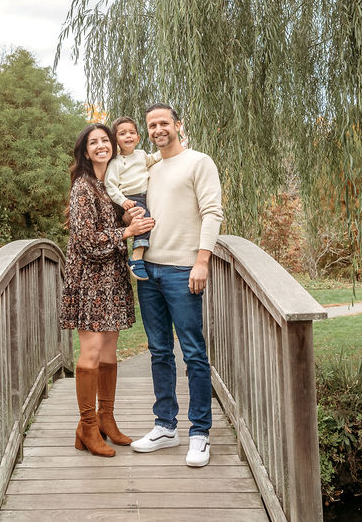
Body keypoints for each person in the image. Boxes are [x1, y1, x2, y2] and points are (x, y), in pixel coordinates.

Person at [129, 104, 223, 468]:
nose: (157, 129)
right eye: (151, 125)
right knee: (159, 351)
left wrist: (202, 260)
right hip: (149, 271)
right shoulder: (148, 167)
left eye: (163, 123)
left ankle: (199, 433)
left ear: (178, 125)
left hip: (183, 270)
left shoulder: (199, 162)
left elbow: (212, 212)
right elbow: (130, 198)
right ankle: (165, 427)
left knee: (194, 352)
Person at [59, 123, 155, 457]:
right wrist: (127, 233)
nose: (101, 146)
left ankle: (106, 420)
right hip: (89, 277)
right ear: (85, 151)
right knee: (92, 352)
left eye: (105, 140)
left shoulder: (109, 183)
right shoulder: (83, 187)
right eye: (93, 142)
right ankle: (86, 427)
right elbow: (86, 242)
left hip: (111, 274)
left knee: (110, 351)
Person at [104, 116, 161, 281]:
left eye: (131, 133)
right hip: (130, 198)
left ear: (138, 138)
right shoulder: (115, 162)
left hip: (144, 196)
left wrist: (171, 150)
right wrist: (123, 201)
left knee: (148, 219)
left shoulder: (141, 154)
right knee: (144, 220)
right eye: (122, 133)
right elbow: (110, 186)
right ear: (115, 139)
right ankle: (136, 258)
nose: (128, 136)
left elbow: (154, 159)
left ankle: (140, 255)